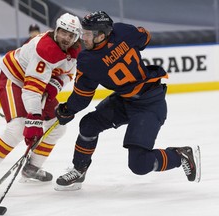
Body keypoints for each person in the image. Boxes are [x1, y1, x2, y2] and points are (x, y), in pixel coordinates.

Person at [54, 11, 201, 191]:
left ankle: (180, 155)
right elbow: (145, 37)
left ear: (101, 35)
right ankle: (79, 169)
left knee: (139, 165)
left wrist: (67, 110)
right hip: (125, 100)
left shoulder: (88, 60)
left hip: (149, 103)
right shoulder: (122, 31)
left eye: (88, 34)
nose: (83, 37)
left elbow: (83, 97)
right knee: (89, 125)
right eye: (83, 32)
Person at [0, 13, 81, 191]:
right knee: (18, 127)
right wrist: (33, 120)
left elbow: (68, 73)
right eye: (63, 32)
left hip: (39, 82)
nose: (66, 38)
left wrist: (55, 84)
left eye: (71, 35)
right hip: (14, 79)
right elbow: (31, 89)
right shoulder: (44, 49)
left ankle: (32, 167)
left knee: (57, 126)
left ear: (76, 37)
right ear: (57, 30)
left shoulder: (73, 51)